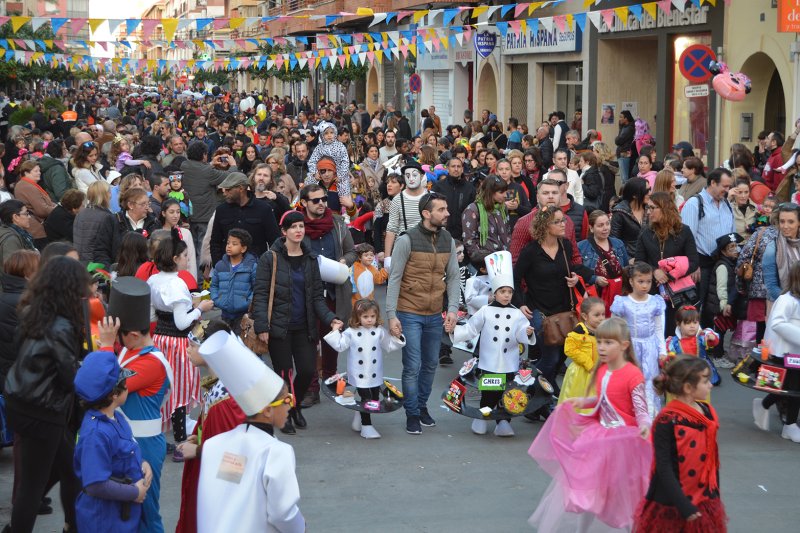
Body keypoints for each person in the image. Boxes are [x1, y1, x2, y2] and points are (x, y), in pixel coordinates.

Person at [528, 317, 652, 532]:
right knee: (589, 492)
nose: (601, 347)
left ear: (624, 345)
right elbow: (602, 399)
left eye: (608, 343)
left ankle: (630, 527)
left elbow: (641, 409)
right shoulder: (602, 370)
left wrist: (644, 425)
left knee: (624, 495)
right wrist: (582, 401)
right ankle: (581, 530)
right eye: (600, 341)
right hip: (598, 439)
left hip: (624, 444)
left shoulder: (633, 374)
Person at [4, 256, 88, 533]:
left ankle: (72, 526)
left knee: (70, 472)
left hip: (23, 402)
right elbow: (68, 376)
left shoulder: (33, 311)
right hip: (43, 409)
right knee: (33, 486)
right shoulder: (62, 324)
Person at [196, 331, 304, 533]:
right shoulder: (276, 452)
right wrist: (300, 528)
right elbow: (283, 513)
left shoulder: (214, 445)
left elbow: (228, 494)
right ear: (268, 410)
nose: (291, 404)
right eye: (287, 399)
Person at [252, 211, 342, 434]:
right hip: (278, 327)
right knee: (284, 374)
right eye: (293, 227)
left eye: (301, 226)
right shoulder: (269, 258)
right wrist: (262, 326)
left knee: (307, 370)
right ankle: (284, 415)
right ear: (284, 232)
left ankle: (294, 406)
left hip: (305, 326)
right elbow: (261, 293)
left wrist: (331, 319)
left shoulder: (311, 259)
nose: (298, 230)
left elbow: (316, 297)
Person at [100, 277, 174, 533]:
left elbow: (107, 389)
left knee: (146, 513)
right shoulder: (129, 350)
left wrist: (107, 346)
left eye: (119, 336)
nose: (115, 340)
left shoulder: (151, 363)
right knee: (126, 512)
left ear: (132, 334)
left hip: (143, 446)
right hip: (126, 442)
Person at [385, 193, 461, 435]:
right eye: (441, 209)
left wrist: (452, 310)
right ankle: (412, 413)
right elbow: (394, 278)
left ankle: (420, 406)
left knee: (430, 364)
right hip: (409, 313)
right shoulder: (407, 240)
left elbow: (454, 277)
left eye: (446, 208)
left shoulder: (447, 239)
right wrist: (391, 315)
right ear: (426, 214)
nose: (447, 213)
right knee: (412, 366)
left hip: (434, 313)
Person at [634, 356, 725, 531]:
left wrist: (715, 495)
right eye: (706, 381)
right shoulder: (667, 420)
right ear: (688, 388)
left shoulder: (708, 413)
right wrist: (683, 505)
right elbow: (664, 467)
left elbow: (712, 461)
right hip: (672, 502)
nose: (711, 385)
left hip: (704, 498)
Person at [452, 251, 535, 437]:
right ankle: (483, 417)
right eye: (502, 292)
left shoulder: (517, 313)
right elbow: (471, 329)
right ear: (495, 293)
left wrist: (526, 333)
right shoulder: (485, 311)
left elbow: (520, 333)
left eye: (509, 292)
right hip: (489, 360)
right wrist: (454, 331)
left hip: (509, 361)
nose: (506, 296)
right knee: (489, 390)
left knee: (507, 391)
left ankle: (504, 421)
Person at [512, 207, 592, 396]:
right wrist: (521, 303)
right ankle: (528, 389)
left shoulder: (565, 246)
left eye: (563, 220)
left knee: (563, 354)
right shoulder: (530, 251)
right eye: (558, 221)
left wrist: (575, 279)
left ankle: (542, 391)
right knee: (551, 356)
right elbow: (515, 279)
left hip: (563, 309)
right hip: (538, 309)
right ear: (545, 226)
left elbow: (570, 269)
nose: (563, 224)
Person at [174, 320, 245, 533]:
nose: (188, 349)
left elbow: (234, 458)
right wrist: (199, 436)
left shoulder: (227, 399)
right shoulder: (218, 383)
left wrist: (197, 450)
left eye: (193, 345)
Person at [148, 231, 212, 455]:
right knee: (180, 392)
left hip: (160, 339)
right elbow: (182, 322)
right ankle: (180, 442)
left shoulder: (154, 280)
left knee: (167, 388)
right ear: (175, 259)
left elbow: (152, 316)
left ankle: (170, 437)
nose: (187, 259)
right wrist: (199, 309)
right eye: (185, 255)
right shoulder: (177, 285)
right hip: (177, 342)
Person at [72, 350, 150, 533]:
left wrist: (143, 463)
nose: (128, 386)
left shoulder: (117, 418)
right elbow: (95, 484)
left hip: (121, 515)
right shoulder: (96, 434)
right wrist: (134, 493)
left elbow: (127, 450)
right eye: (125, 383)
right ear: (114, 394)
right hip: (105, 519)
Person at [298, 183, 356, 406]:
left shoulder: (338, 223)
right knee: (309, 340)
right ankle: (311, 389)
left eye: (323, 199)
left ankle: (331, 382)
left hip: (334, 291)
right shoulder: (298, 226)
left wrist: (344, 261)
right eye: (316, 200)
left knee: (333, 339)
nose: (322, 203)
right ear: (304, 203)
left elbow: (352, 251)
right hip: (307, 292)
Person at [323, 299, 405, 439]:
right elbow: (340, 345)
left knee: (374, 398)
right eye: (365, 317)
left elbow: (389, 346)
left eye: (372, 316)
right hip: (358, 373)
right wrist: (335, 331)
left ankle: (358, 420)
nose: (369, 320)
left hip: (374, 373)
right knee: (367, 399)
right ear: (357, 316)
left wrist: (397, 337)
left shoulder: (379, 331)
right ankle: (366, 426)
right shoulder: (352, 332)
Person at [635, 191, 699, 334]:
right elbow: (638, 261)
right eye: (648, 208)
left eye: (653, 208)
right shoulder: (645, 233)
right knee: (656, 331)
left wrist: (670, 274)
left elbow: (693, 262)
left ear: (664, 208)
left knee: (675, 331)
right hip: (653, 291)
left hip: (679, 292)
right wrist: (654, 271)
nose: (649, 212)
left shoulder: (683, 231)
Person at [611, 262, 667, 418]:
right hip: (630, 347)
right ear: (631, 281)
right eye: (640, 281)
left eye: (648, 282)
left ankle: (650, 416)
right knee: (630, 380)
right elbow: (615, 328)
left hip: (650, 347)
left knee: (650, 380)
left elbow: (658, 329)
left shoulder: (655, 302)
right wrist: (617, 350)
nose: (645, 286)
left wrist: (662, 351)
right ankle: (630, 415)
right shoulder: (623, 303)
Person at [754, 261, 800, 442]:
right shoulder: (787, 300)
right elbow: (778, 324)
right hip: (784, 352)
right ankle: (789, 425)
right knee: (791, 387)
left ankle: (765, 406)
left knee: (788, 386)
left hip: (794, 352)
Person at [680, 168, 735, 321]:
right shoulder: (695, 203)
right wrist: (693, 265)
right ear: (712, 183)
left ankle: (713, 342)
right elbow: (687, 237)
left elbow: (732, 234)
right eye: (724, 186)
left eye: (729, 186)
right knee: (696, 308)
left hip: (722, 266)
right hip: (701, 266)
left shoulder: (727, 205)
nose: (727, 190)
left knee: (715, 310)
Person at [181, 140, 238, 266]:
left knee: (189, 251)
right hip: (204, 217)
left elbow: (200, 169)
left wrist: (211, 163)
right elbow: (230, 176)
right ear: (204, 155)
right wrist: (233, 164)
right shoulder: (208, 171)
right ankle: (201, 281)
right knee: (202, 252)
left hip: (188, 217)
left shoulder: (184, 166)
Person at [209, 172, 280, 265]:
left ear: (241, 188)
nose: (224, 193)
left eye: (228, 189)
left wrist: (267, 267)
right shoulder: (221, 210)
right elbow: (215, 242)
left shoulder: (263, 209)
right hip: (228, 269)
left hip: (256, 269)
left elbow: (274, 240)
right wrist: (219, 266)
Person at [704, 233, 745, 368]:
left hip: (724, 303)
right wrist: (724, 305)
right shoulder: (722, 266)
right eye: (731, 247)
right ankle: (718, 356)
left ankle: (720, 352)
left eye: (736, 246)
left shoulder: (732, 264)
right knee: (719, 331)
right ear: (723, 251)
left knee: (722, 330)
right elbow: (721, 288)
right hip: (719, 305)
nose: (735, 250)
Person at [0, 250, 39, 389]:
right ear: (27, 275)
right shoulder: (25, 302)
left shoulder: (6, 296)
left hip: (8, 374)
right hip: (23, 380)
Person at [557, 297, 605, 406]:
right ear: (584, 316)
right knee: (579, 397)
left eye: (603, 314)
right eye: (597, 315)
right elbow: (570, 350)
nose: (601, 318)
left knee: (595, 399)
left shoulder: (603, 330)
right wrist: (588, 363)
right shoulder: (579, 332)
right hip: (581, 373)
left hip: (597, 371)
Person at [210, 228, 258, 332]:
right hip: (224, 314)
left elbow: (257, 288)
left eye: (234, 244)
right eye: (228, 243)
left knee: (240, 343)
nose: (229, 246)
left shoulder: (251, 266)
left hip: (243, 315)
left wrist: (249, 301)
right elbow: (214, 285)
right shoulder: (220, 265)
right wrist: (216, 299)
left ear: (243, 248)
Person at [665, 306, 720, 393]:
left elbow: (713, 340)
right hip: (682, 374)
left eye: (695, 322)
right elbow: (668, 357)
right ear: (678, 324)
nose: (692, 326)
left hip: (701, 372)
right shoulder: (673, 342)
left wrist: (711, 337)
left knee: (701, 396)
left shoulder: (701, 337)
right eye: (687, 323)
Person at [578, 210, 628, 305]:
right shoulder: (582, 247)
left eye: (607, 224)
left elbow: (626, 268)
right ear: (591, 228)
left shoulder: (618, 244)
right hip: (595, 296)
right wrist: (595, 279)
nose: (605, 228)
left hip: (618, 294)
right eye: (600, 225)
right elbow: (578, 272)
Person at [383, 161, 427, 261]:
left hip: (427, 250)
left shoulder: (430, 197)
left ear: (421, 176)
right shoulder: (397, 200)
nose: (411, 179)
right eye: (407, 175)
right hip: (404, 251)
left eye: (414, 175)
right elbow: (391, 228)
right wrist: (387, 258)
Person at [305, 121, 353, 209]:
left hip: (338, 174)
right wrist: (315, 173)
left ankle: (344, 210)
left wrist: (341, 175)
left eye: (331, 132)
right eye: (326, 133)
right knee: (310, 183)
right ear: (322, 135)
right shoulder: (319, 147)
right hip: (321, 173)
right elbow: (312, 161)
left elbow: (345, 161)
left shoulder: (340, 146)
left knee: (344, 188)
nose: (329, 135)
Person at [461, 175, 511, 258]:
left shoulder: (502, 208)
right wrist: (482, 260)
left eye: (506, 191)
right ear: (490, 192)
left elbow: (508, 233)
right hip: (484, 262)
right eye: (501, 192)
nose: (506, 195)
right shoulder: (473, 210)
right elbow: (469, 241)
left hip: (503, 260)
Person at [431, 157, 476, 241]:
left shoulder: (470, 188)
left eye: (458, 166)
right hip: (441, 233)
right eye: (453, 166)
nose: (456, 169)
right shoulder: (438, 187)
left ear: (462, 169)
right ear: (448, 168)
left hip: (463, 234)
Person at [160, 198, 198, 280]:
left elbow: (191, 260)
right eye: (171, 212)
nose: (176, 215)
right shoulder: (158, 234)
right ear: (163, 213)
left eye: (178, 212)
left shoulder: (186, 233)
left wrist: (192, 281)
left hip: (183, 278)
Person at [612, 177, 649, 258]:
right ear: (635, 195)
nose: (650, 193)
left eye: (650, 189)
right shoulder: (619, 212)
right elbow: (614, 241)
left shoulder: (650, 209)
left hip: (648, 257)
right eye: (646, 191)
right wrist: (627, 260)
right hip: (629, 259)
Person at [0, 199, 37, 272]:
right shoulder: (11, 240)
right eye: (26, 214)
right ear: (15, 217)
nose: (29, 217)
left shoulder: (16, 233)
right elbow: (14, 270)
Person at [615, 110, 636, 183]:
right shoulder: (625, 127)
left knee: (625, 178)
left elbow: (618, 141)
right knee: (624, 177)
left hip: (624, 155)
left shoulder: (628, 128)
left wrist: (617, 137)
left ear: (626, 118)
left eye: (621, 117)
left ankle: (626, 193)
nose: (619, 119)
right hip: (622, 154)